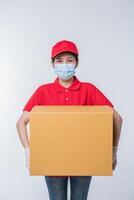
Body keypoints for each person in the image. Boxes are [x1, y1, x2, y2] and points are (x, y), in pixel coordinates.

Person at [16, 40, 123, 200]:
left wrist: (112, 149)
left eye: (69, 60)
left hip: (83, 162)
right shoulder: (43, 91)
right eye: (59, 61)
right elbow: (21, 122)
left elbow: (117, 118)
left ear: (77, 62)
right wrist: (29, 151)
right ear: (52, 64)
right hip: (52, 162)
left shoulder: (89, 90)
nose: (64, 65)